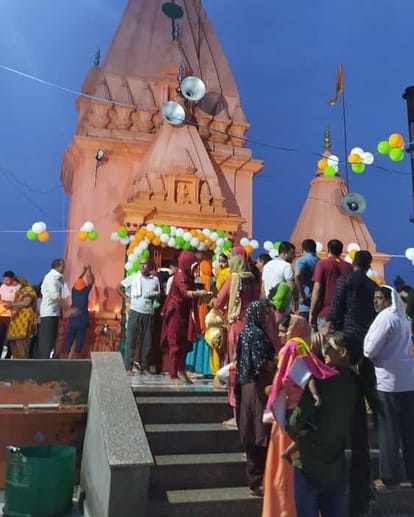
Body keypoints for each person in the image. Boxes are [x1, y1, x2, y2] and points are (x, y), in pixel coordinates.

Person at [286, 331, 372, 517]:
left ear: (342, 352)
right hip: (336, 469)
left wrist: (312, 360)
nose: (325, 350)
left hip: (309, 467)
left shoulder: (320, 383)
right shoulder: (355, 384)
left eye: (328, 347)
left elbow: (295, 426)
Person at [261, 314, 312, 517]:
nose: (281, 335)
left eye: (284, 331)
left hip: (286, 415)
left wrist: (270, 392)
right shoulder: (306, 347)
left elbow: (283, 382)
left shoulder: (291, 348)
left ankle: (283, 511)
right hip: (302, 414)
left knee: (283, 470)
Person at [364, 286, 414, 488]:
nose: (375, 301)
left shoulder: (386, 318)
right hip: (407, 381)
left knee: (389, 431)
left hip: (388, 382)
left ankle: (389, 476)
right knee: (408, 431)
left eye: (379, 298)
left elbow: (369, 349)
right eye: (374, 298)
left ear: (388, 299)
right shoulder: (402, 318)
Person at [235, 300, 276, 497]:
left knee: (251, 431)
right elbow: (262, 364)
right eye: (264, 313)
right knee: (260, 431)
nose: (267, 317)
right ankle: (258, 481)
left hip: (246, 387)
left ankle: (254, 479)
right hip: (259, 387)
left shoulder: (244, 332)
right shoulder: (258, 334)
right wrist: (278, 363)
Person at [161, 251, 211, 384]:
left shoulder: (189, 277)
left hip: (185, 314)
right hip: (175, 314)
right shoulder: (180, 276)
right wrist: (198, 293)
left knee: (184, 343)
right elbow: (185, 293)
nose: (196, 270)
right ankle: (173, 375)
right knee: (175, 344)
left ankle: (181, 370)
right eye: (194, 266)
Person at [116, 257, 160, 375]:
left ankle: (144, 367)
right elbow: (118, 287)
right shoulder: (134, 277)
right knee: (131, 339)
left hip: (148, 312)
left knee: (147, 341)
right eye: (141, 264)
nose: (143, 266)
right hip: (135, 311)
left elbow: (158, 294)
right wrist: (126, 298)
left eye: (145, 264)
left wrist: (155, 295)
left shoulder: (155, 280)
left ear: (150, 266)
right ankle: (128, 367)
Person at [325, 250, 377, 339]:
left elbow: (336, 303)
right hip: (365, 331)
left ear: (353, 263)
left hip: (345, 328)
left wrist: (329, 323)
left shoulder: (344, 279)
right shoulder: (373, 285)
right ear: (368, 266)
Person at [309, 239, 352, 330]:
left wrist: (312, 312)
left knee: (324, 339)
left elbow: (317, 289)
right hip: (344, 314)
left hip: (325, 312)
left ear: (328, 250)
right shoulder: (349, 267)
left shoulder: (322, 264)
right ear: (341, 251)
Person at [186, 259, 215, 376]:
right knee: (205, 341)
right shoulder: (213, 281)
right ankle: (205, 369)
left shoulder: (196, 280)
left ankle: (191, 367)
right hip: (208, 314)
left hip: (196, 313)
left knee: (194, 339)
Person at [37, 259, 70, 359]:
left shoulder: (60, 278)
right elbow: (55, 297)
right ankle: (43, 363)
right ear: (57, 266)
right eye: (63, 266)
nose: (64, 268)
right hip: (49, 313)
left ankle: (48, 361)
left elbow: (65, 294)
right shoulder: (51, 278)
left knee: (52, 339)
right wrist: (68, 308)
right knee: (47, 340)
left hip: (55, 313)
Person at [63, 265, 95, 358]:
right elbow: (92, 281)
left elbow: (78, 280)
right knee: (80, 338)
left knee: (69, 337)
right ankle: (77, 356)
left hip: (73, 319)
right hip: (82, 318)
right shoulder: (85, 291)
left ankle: (65, 355)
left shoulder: (74, 291)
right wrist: (90, 271)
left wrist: (83, 272)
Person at [5, 278, 37, 359]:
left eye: (15, 283)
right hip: (15, 319)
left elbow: (26, 302)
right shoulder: (19, 291)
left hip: (24, 318)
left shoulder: (28, 290)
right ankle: (16, 360)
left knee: (21, 341)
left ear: (21, 282)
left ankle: (23, 361)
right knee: (13, 341)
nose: (14, 285)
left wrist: (12, 305)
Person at [295, 239, 319, 320]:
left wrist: (302, 295)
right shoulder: (320, 261)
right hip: (317, 302)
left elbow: (297, 275)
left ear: (303, 249)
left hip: (305, 304)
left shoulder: (302, 260)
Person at [0, 271, 21, 358]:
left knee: (11, 337)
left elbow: (19, 300)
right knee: (1, 336)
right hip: (2, 315)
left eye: (7, 280)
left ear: (12, 279)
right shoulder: (2, 287)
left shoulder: (18, 287)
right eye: (4, 279)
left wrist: (11, 303)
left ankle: (9, 356)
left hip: (13, 316)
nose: (5, 281)